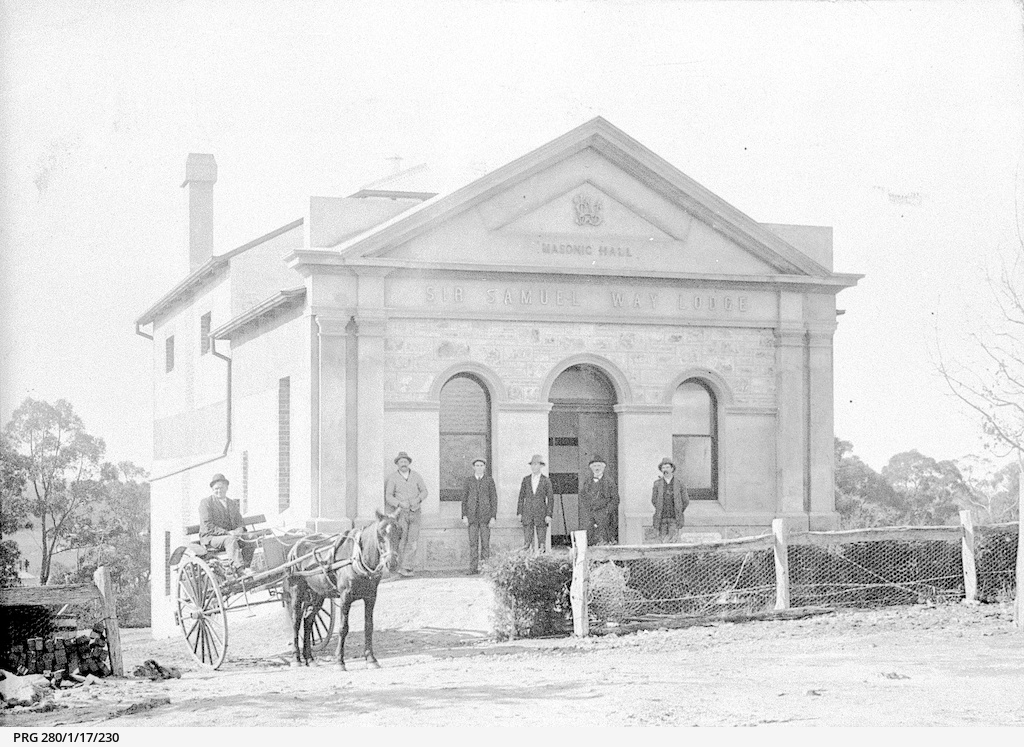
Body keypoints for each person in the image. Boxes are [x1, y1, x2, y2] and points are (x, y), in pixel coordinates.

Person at [384, 451, 428, 577]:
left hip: (415, 512)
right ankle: (397, 568)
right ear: (397, 464)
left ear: (409, 463)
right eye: (400, 462)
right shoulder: (393, 478)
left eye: (405, 461)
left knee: (412, 541)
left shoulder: (416, 476)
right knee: (400, 541)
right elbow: (388, 496)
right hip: (400, 514)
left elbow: (424, 491)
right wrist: (399, 503)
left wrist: (418, 499)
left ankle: (407, 567)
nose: (403, 464)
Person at [198, 473, 251, 572]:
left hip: (229, 536)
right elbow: (208, 526)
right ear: (212, 490)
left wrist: (239, 529)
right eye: (216, 489)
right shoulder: (206, 503)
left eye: (221, 488)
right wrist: (228, 533)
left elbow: (240, 521)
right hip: (211, 538)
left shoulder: (231, 503)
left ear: (227, 488)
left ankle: (246, 566)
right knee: (230, 540)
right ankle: (239, 569)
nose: (219, 491)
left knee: (251, 538)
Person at [461, 458, 498, 574]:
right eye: (477, 465)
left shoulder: (489, 481)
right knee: (473, 543)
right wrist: (464, 515)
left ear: (484, 467)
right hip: (472, 518)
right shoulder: (469, 481)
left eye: (481, 465)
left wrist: (493, 517)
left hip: (485, 518)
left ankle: (485, 568)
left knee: (485, 544)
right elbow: (464, 499)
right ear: (473, 467)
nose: (479, 467)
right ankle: (473, 568)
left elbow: (494, 499)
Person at [578, 455, 619, 545]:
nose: (597, 468)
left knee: (604, 540)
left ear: (603, 468)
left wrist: (607, 511)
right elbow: (583, 497)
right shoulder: (587, 482)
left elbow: (615, 499)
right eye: (595, 466)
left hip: (605, 517)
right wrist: (588, 509)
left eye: (599, 466)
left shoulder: (609, 482)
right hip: (590, 516)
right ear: (591, 468)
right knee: (590, 539)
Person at [517, 454, 553, 551]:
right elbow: (521, 497)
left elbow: (550, 499)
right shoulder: (526, 480)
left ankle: (541, 561)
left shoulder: (546, 480)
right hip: (527, 513)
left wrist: (549, 514)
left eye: (536, 464)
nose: (534, 467)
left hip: (541, 513)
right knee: (527, 542)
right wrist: (519, 512)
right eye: (532, 465)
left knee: (542, 543)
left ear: (541, 466)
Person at [651, 457, 689, 541]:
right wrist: (660, 508)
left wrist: (678, 509)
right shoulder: (657, 484)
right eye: (663, 468)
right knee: (662, 541)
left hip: (674, 518)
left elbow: (685, 501)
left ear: (672, 469)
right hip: (661, 519)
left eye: (667, 467)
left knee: (673, 541)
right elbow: (654, 500)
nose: (665, 470)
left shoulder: (679, 483)